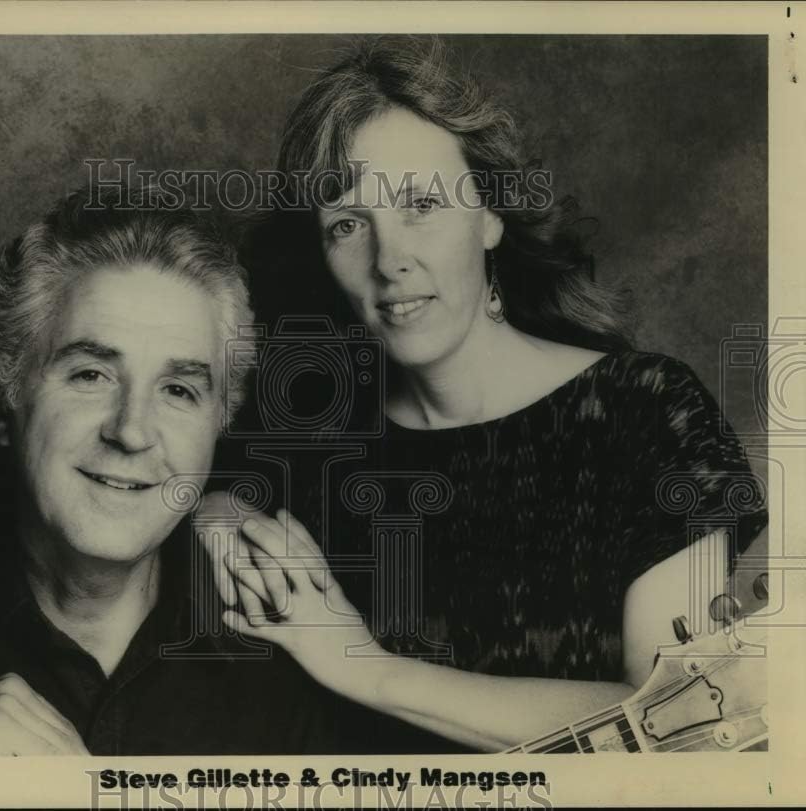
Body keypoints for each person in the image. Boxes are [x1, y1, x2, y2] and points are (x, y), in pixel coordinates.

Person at [204, 37, 769, 753]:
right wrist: (212, 515)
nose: (390, 260)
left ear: (491, 216)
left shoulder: (645, 409)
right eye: (348, 225)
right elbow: (187, 473)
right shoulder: (320, 440)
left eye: (422, 204)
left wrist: (365, 666)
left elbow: (676, 720)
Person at [0, 187, 349, 755]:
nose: (131, 431)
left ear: (219, 428)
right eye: (91, 375)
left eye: (179, 390)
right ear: (4, 408)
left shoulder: (291, 647)